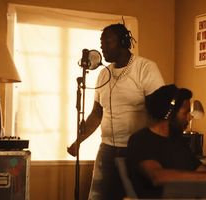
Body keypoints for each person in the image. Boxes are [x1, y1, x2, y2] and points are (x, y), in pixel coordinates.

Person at [67, 23, 165, 200]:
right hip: (107, 149)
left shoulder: (145, 68)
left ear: (123, 41)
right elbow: (96, 114)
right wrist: (78, 142)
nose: (102, 47)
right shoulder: (103, 74)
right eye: (101, 43)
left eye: (107, 42)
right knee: (98, 196)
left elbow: (159, 110)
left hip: (136, 150)